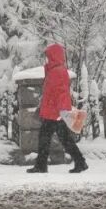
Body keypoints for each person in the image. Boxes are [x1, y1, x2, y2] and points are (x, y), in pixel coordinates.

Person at [27, 42, 88, 173]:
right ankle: (79, 162)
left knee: (47, 139)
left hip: (54, 113)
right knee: (60, 139)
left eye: (49, 56)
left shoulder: (57, 71)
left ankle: (42, 165)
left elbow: (61, 92)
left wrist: (62, 110)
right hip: (53, 111)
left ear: (54, 56)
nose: (47, 59)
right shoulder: (55, 70)